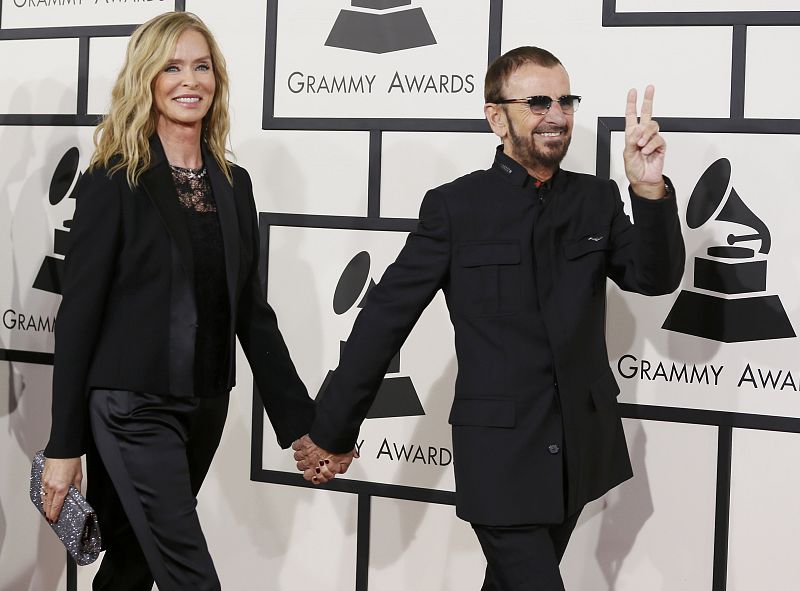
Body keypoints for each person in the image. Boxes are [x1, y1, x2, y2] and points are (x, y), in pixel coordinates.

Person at [293, 46, 685, 590]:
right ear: (496, 117)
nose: (558, 115)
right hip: (500, 458)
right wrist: (332, 429)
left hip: (578, 449)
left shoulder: (597, 199)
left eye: (566, 101)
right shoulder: (455, 208)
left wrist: (648, 189)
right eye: (539, 102)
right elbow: (385, 318)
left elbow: (655, 278)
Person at [39, 12, 315, 591]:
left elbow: (252, 314)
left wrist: (300, 427)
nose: (189, 80)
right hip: (130, 406)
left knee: (135, 561)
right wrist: (64, 446)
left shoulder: (234, 185)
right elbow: (78, 317)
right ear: (147, 79)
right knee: (190, 572)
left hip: (204, 404)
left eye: (201, 66)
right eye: (171, 66)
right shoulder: (114, 180)